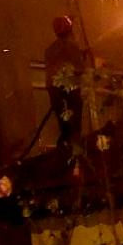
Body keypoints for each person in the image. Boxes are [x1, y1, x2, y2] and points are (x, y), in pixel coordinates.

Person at [44, 15, 91, 154]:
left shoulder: (49, 50)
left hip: (54, 91)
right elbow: (79, 69)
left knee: (64, 126)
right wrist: (82, 58)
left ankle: (64, 148)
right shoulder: (72, 46)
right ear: (70, 30)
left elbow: (56, 68)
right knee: (75, 127)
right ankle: (75, 153)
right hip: (70, 90)